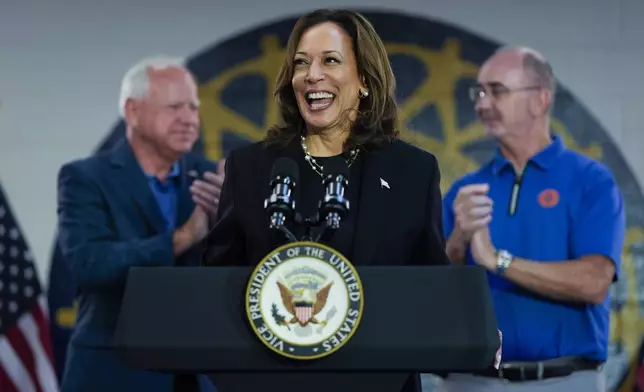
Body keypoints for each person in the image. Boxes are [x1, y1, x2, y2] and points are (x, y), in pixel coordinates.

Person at [202, 9, 449, 392]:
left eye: (330, 60)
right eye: (301, 64)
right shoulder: (251, 166)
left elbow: (433, 284)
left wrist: (470, 324)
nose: (312, 75)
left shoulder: (412, 171)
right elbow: (218, 281)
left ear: (365, 80)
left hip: (377, 381)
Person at [440, 46, 626, 391]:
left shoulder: (591, 181)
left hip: (563, 381)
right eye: (478, 92)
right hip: (470, 382)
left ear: (540, 100)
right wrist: (457, 241)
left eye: (496, 91)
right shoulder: (464, 191)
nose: (482, 104)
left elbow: (594, 282)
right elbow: (433, 294)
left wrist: (497, 261)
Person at [56, 57, 223, 392]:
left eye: (193, 107)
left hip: (196, 375)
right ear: (133, 111)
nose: (190, 119)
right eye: (175, 107)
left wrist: (231, 227)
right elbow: (91, 264)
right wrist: (182, 237)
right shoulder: (86, 178)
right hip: (114, 373)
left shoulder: (213, 179)